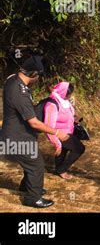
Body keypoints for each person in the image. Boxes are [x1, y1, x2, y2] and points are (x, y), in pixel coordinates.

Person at [0, 56, 69, 208]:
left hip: (18, 134)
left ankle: (28, 187)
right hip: (17, 138)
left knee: (30, 163)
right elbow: (34, 122)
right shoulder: (20, 92)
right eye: (38, 75)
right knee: (36, 164)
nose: (38, 79)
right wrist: (57, 132)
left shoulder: (12, 79)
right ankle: (32, 198)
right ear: (33, 75)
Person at [44, 82, 85, 180]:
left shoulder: (63, 100)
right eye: (69, 94)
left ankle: (59, 168)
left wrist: (74, 120)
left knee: (63, 151)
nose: (70, 96)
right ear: (63, 92)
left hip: (68, 131)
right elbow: (48, 126)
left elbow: (67, 113)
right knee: (79, 149)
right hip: (59, 134)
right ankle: (61, 169)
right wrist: (56, 143)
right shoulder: (52, 104)